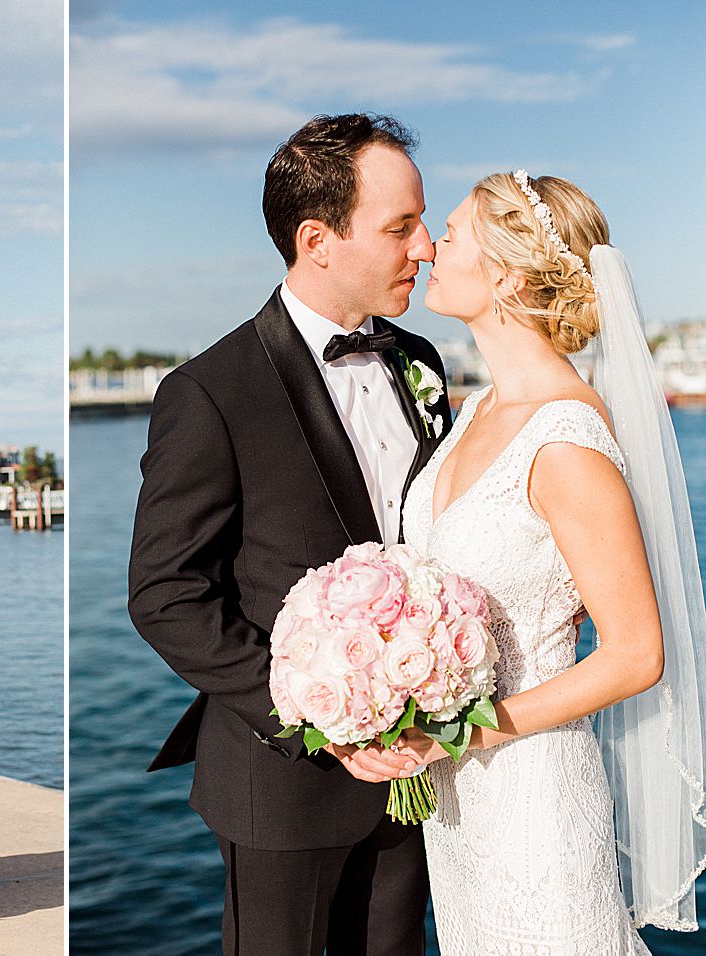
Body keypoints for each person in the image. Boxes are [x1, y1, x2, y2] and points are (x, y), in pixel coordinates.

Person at [129, 113, 450, 956]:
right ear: (317, 240)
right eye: (401, 227)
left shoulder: (419, 362)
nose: (425, 249)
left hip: (418, 768)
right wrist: (322, 716)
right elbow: (166, 596)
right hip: (282, 783)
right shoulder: (210, 391)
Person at [400, 170, 706, 950]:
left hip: (535, 797)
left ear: (506, 276)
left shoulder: (565, 438)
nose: (430, 248)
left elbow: (636, 655)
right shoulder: (477, 410)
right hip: (458, 809)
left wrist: (464, 734)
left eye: (452, 234)